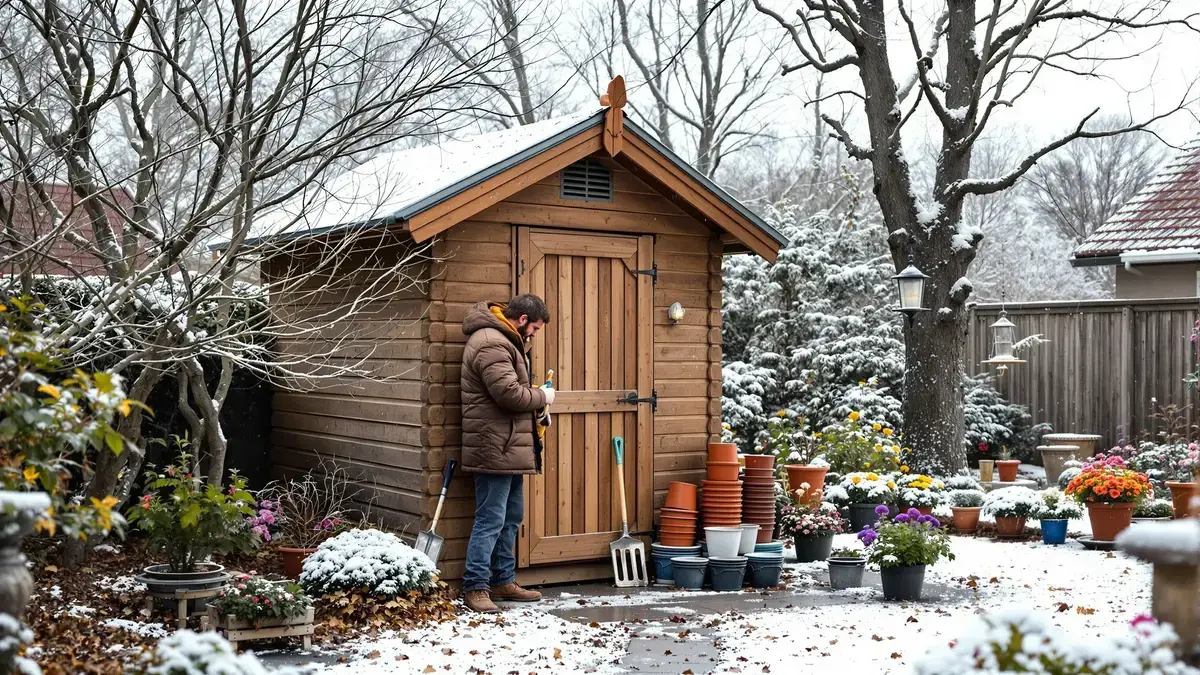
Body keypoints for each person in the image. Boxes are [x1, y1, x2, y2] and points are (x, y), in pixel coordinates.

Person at [459, 294, 556, 613]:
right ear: (524, 320)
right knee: (490, 518)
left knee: (511, 516)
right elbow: (508, 395)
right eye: (537, 328)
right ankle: (475, 587)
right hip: (493, 446)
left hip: (508, 445)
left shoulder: (504, 338)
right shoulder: (491, 342)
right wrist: (543, 395)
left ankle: (503, 580)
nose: (536, 335)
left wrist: (539, 408)